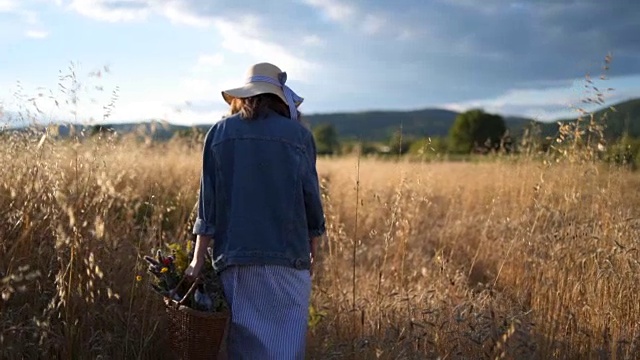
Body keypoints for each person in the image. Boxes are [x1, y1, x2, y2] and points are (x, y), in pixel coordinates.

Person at [184, 62, 326, 359]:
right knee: (286, 347)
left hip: (237, 258)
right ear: (279, 98)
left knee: (245, 349)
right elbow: (310, 198)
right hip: (288, 258)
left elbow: (207, 204)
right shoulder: (298, 136)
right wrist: (314, 247)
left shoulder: (218, 134)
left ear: (244, 97)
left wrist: (197, 260)